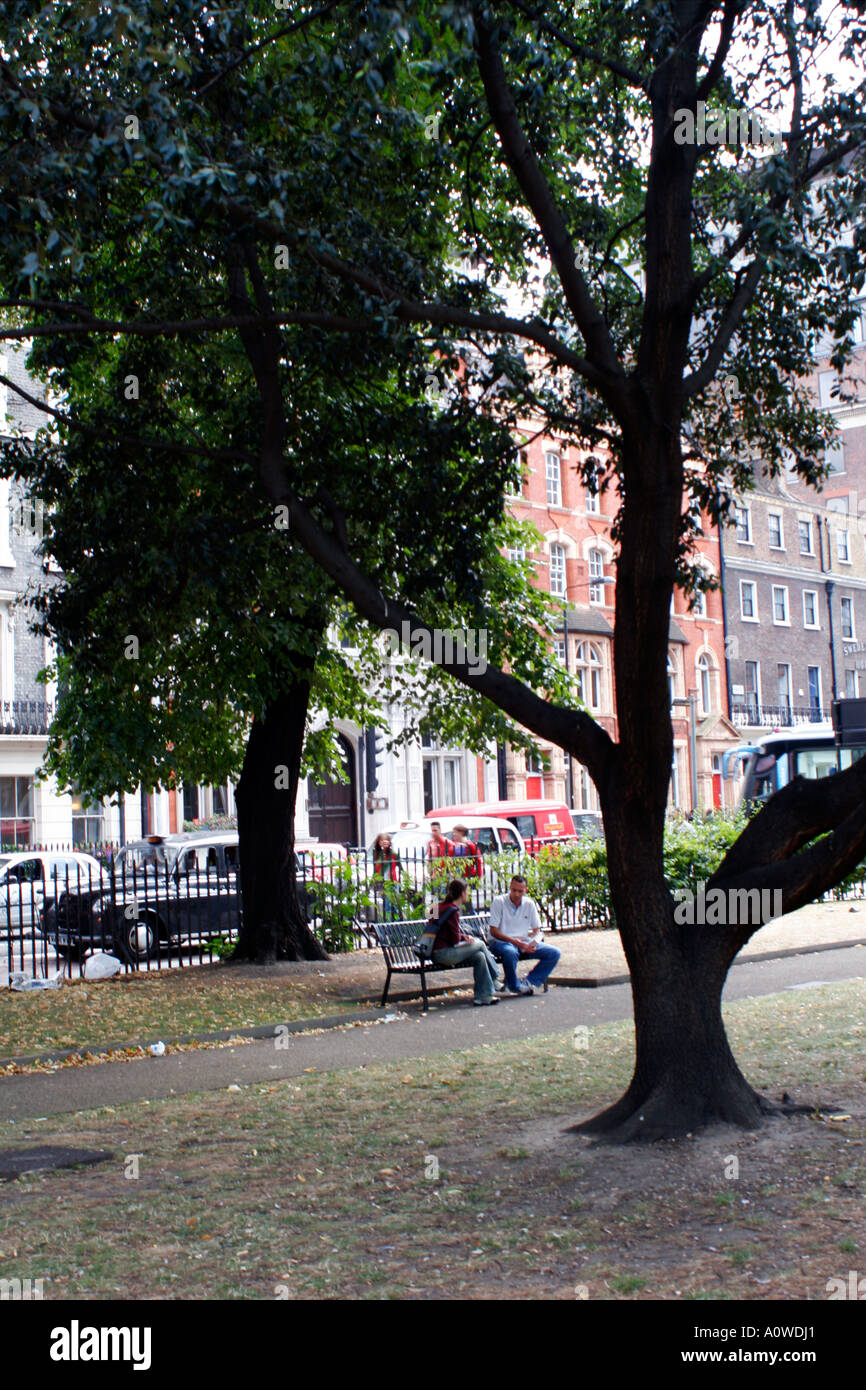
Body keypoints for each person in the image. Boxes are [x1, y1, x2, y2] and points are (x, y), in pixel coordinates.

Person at [432, 878, 502, 1006]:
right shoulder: (454, 910)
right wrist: (464, 939)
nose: (468, 894)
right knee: (480, 943)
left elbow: (435, 929)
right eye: (467, 891)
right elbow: (454, 940)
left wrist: (463, 937)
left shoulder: (436, 907)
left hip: (433, 952)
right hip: (445, 954)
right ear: (462, 893)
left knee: (480, 957)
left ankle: (483, 996)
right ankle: (495, 976)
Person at [488, 874, 560, 996]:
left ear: (525, 890)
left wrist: (533, 942)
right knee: (510, 953)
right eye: (514, 890)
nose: (517, 894)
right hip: (501, 942)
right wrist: (516, 942)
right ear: (510, 887)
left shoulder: (529, 904)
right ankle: (514, 986)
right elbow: (493, 931)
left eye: (520, 891)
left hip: (523, 942)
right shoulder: (499, 902)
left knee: (554, 953)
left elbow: (537, 929)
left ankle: (529, 981)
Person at [371, 832, 401, 921]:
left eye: (387, 840)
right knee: (385, 906)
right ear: (378, 842)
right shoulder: (376, 855)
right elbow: (376, 870)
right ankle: (389, 923)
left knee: (392, 905)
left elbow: (400, 867)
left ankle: (396, 923)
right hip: (382, 883)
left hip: (392, 882)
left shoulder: (393, 854)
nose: (385, 842)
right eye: (382, 840)